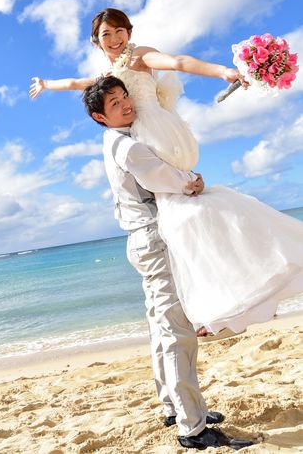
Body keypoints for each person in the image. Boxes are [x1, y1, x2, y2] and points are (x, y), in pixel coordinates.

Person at [30, 8, 303, 335]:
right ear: (96, 42)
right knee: (183, 216)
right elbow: (76, 83)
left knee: (185, 210)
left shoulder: (140, 56)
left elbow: (178, 62)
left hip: (157, 131)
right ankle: (211, 307)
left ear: (129, 32)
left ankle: (221, 303)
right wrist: (46, 84)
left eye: (119, 31)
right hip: (140, 136)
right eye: (106, 35)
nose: (114, 39)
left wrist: (223, 72)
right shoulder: (107, 76)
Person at [81, 76, 253, 450]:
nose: (125, 104)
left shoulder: (114, 141)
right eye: (114, 103)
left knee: (161, 327)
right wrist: (193, 181)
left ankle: (174, 408)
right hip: (154, 242)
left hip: (143, 242)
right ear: (99, 116)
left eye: (124, 96)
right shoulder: (127, 147)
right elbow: (174, 181)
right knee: (177, 331)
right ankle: (193, 428)